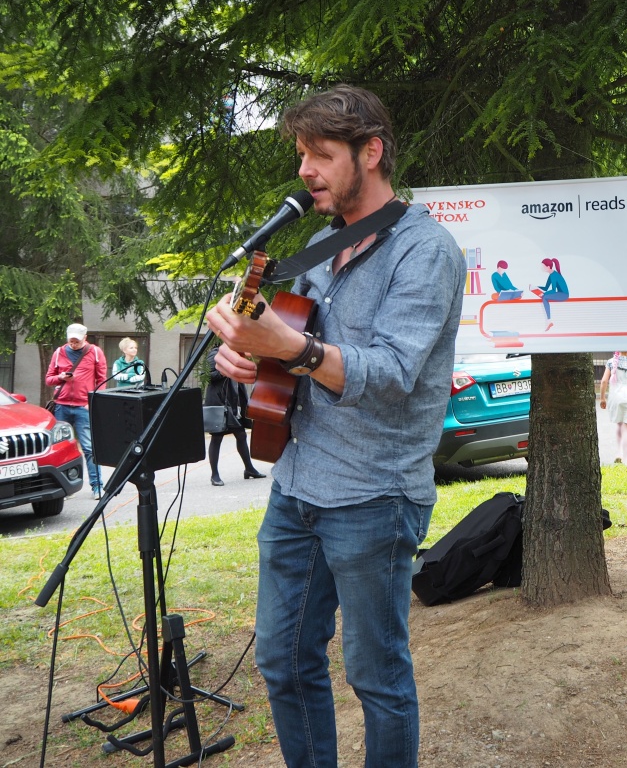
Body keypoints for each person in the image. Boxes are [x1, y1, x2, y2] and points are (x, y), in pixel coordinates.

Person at [205, 85, 464, 768]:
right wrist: (247, 358)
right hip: (296, 487)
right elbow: (289, 351)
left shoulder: (426, 250)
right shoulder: (322, 244)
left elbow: (393, 373)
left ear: (370, 153)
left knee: (377, 678)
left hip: (375, 496)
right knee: (282, 660)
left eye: (320, 154)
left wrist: (288, 348)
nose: (305, 171)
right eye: (301, 155)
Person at [45, 323, 107, 498]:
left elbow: (102, 380)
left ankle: (97, 486)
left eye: (77, 341)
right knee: (60, 448)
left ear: (85, 338)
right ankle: (64, 488)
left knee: (88, 447)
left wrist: (92, 402)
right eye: (71, 341)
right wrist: (60, 377)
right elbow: (49, 379)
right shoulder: (59, 353)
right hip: (62, 406)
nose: (73, 344)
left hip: (83, 406)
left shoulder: (95, 352)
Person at [204, 347, 265, 485]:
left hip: (233, 404)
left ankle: (249, 469)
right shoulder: (216, 353)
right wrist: (227, 370)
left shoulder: (237, 355)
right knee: (217, 437)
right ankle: (214, 475)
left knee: (241, 435)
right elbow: (208, 376)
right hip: (219, 403)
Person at [599, 351, 627, 464]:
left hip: (615, 395)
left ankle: (619, 452)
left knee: (619, 424)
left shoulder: (611, 362)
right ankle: (626, 459)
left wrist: (602, 398)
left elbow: (604, 381)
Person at [530, 256, 568, 330]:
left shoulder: (554, 275)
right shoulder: (551, 275)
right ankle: (549, 321)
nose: (542, 268)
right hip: (560, 293)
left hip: (564, 295)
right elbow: (546, 288)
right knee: (544, 296)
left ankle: (549, 321)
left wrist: (545, 294)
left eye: (543, 266)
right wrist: (535, 287)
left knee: (544, 297)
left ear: (548, 267)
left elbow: (553, 290)